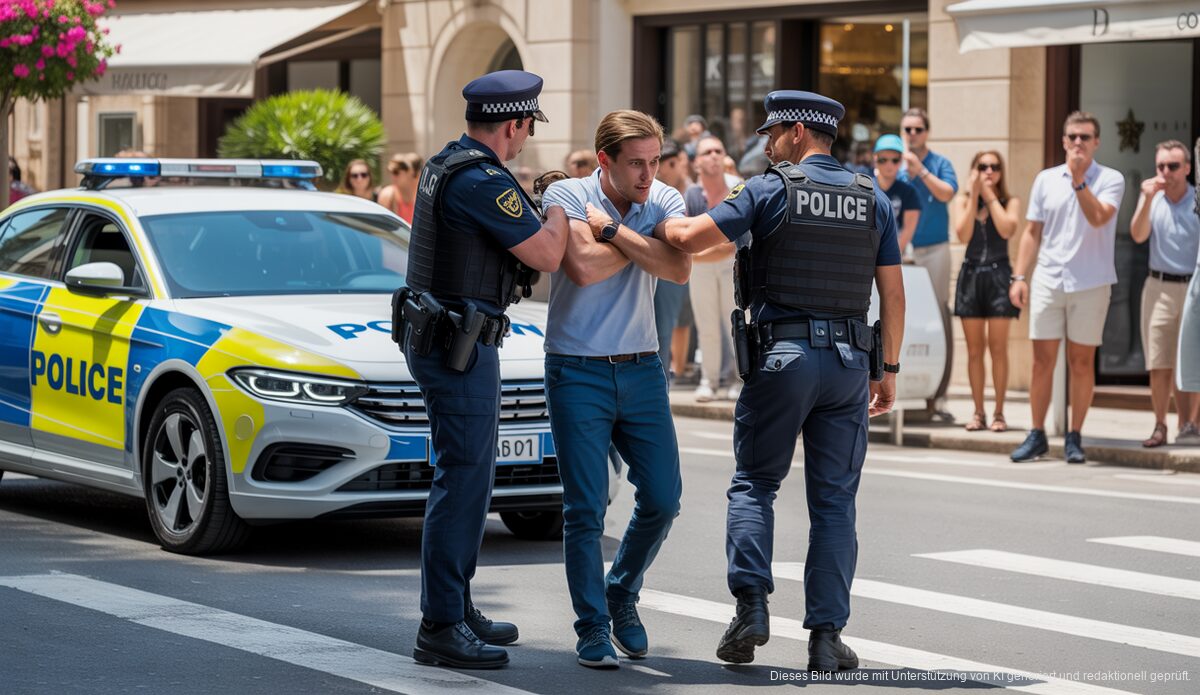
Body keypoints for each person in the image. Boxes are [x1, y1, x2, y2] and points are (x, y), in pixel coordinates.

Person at [657, 90, 905, 673]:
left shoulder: (769, 188)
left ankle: (751, 609)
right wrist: (887, 370)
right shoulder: (872, 196)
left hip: (783, 359)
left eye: (772, 135)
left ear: (797, 133)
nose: (766, 145)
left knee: (754, 484)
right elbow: (892, 293)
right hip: (849, 366)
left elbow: (693, 239)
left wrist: (656, 220)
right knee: (835, 502)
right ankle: (825, 638)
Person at [400, 69, 569, 669]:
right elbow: (547, 254)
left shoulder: (448, 162)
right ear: (513, 123)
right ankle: (441, 625)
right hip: (459, 346)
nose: (526, 141)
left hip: (446, 339)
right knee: (464, 478)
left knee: (467, 476)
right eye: (526, 128)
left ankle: (457, 602)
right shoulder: (482, 181)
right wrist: (560, 208)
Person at [541, 109, 689, 669]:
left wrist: (611, 230)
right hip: (576, 368)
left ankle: (621, 590)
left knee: (663, 498)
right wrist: (640, 241)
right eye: (636, 164)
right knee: (585, 509)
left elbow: (678, 271)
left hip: (642, 367)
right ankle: (592, 627)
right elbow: (581, 267)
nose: (648, 175)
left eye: (654, 162)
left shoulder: (664, 198)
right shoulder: (569, 193)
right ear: (604, 160)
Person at [1009, 111, 1125, 463]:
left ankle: (1074, 436)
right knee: (1041, 362)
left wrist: (1078, 181)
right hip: (1048, 278)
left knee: (1081, 362)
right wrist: (1019, 276)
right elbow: (1032, 232)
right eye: (1072, 137)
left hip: (1091, 282)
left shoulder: (1110, 178)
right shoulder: (1045, 180)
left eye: (1085, 137)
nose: (1078, 143)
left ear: (1096, 142)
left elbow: (1099, 217)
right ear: (1063, 141)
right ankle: (1037, 433)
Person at [1130, 140, 1200, 446]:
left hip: (1193, 287)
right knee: (1159, 361)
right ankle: (1160, 424)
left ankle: (1189, 424)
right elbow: (1138, 234)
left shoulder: (1197, 199)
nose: (1166, 173)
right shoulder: (1152, 199)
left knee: (1191, 360)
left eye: (1173, 166)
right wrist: (1146, 199)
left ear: (1187, 168)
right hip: (1158, 287)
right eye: (1161, 166)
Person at [952, 151, 1022, 432]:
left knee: (998, 348)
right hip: (970, 275)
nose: (989, 171)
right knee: (973, 350)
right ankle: (978, 411)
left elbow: (1007, 229)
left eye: (994, 167)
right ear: (973, 170)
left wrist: (990, 197)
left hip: (998, 275)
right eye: (983, 167)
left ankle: (999, 412)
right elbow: (963, 235)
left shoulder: (1010, 201)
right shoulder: (962, 201)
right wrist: (973, 196)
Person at [899, 107, 958, 421]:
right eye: (907, 129)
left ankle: (940, 395)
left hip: (934, 248)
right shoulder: (894, 163)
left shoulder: (939, 163)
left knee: (939, 315)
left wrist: (920, 171)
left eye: (918, 129)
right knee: (902, 317)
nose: (912, 135)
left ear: (927, 132)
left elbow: (947, 193)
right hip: (901, 250)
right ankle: (906, 390)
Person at [687, 134, 739, 401]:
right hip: (700, 269)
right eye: (707, 152)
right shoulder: (692, 194)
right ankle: (709, 380)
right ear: (697, 162)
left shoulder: (737, 188)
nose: (714, 156)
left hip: (732, 267)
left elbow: (736, 242)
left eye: (719, 150)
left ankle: (737, 380)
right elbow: (686, 243)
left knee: (736, 323)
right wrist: (712, 247)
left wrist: (700, 249)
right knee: (706, 325)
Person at [651, 138, 694, 376]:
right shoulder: (654, 194)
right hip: (660, 272)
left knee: (667, 332)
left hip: (676, 272)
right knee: (660, 335)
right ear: (668, 164)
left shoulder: (686, 190)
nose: (685, 168)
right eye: (680, 163)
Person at [872, 135, 922, 253]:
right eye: (883, 160)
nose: (889, 165)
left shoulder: (909, 192)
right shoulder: (863, 187)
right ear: (875, 159)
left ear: (901, 162)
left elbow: (908, 230)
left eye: (894, 160)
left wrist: (889, 257)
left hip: (894, 253)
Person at [377, 152, 423, 223]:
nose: (392, 176)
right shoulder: (388, 195)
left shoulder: (424, 196)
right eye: (391, 172)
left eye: (396, 172)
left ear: (412, 172)